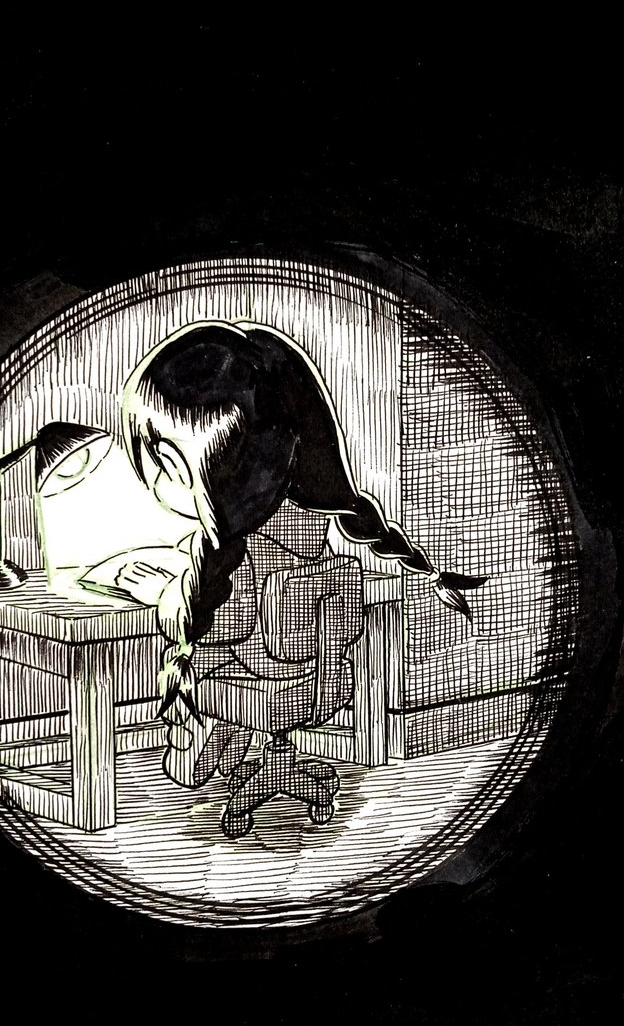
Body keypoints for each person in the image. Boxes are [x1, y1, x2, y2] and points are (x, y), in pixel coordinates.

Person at [115, 319, 486, 787]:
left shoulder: (254, 545)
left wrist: (163, 594)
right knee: (197, 751)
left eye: (159, 463)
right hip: (287, 667)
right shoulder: (294, 516)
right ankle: (241, 746)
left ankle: (234, 743)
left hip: (270, 670)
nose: (152, 481)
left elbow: (233, 621)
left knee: (185, 760)